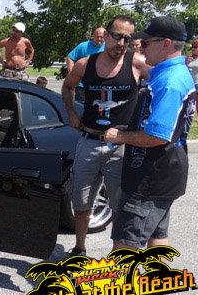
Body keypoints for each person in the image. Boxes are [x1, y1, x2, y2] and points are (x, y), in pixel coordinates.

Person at [105, 15, 196, 250]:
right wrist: (131, 129)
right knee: (157, 235)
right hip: (165, 173)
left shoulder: (169, 82)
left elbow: (157, 136)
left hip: (149, 177)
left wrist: (120, 136)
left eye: (146, 43)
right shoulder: (174, 74)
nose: (141, 48)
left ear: (166, 43)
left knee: (126, 243)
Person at [61, 15, 148, 257]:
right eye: (117, 36)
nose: (121, 43)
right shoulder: (85, 64)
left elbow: (162, 87)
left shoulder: (137, 63)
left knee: (119, 203)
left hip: (120, 147)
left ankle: (117, 254)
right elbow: (68, 86)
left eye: (127, 38)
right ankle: (79, 248)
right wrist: (72, 113)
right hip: (89, 140)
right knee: (81, 200)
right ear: (107, 35)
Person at [66, 27, 107, 101]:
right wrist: (73, 75)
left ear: (106, 37)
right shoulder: (83, 46)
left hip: (100, 87)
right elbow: (69, 58)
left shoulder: (108, 48)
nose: (99, 39)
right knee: (81, 107)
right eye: (97, 36)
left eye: (101, 37)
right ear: (93, 36)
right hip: (82, 87)